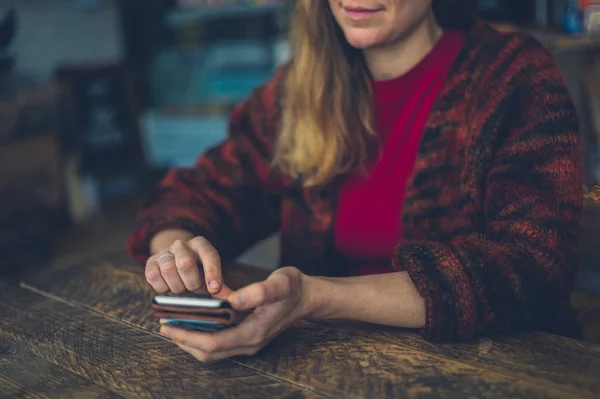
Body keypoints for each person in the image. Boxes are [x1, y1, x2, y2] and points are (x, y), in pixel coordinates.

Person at [128, 0, 583, 362]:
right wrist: (176, 255)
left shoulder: (513, 76)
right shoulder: (299, 89)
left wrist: (314, 296)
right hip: (316, 368)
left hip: (491, 372)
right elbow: (198, 192)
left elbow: (533, 266)